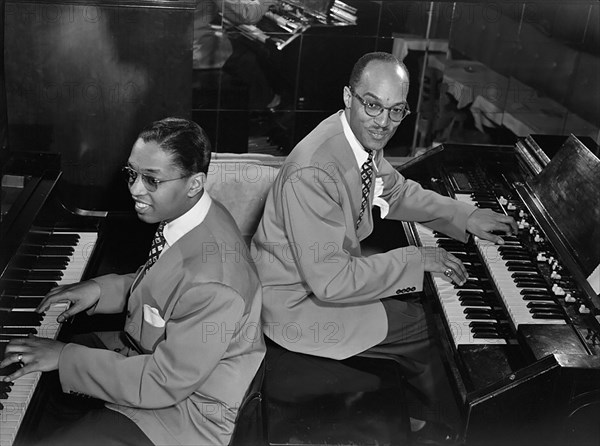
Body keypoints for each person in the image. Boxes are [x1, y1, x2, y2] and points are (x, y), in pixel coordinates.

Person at [251, 52, 517, 443]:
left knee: (428, 307)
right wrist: (418, 259)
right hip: (298, 305)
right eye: (373, 105)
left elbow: (394, 190)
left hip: (321, 284)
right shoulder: (314, 170)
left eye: (396, 111)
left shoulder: (355, 140)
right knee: (437, 333)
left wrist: (464, 215)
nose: (383, 122)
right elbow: (332, 281)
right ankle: (446, 432)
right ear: (348, 96)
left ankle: (422, 416)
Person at [0, 118, 265, 445]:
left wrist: (64, 357)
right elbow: (166, 283)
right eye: (132, 174)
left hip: (186, 411)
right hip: (149, 357)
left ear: (194, 184)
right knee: (30, 368)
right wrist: (99, 289)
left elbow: (162, 382)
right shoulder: (195, 215)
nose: (135, 189)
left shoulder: (216, 281)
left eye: (151, 180)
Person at [193, 0, 281, 110]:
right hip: (199, 53)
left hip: (176, 49)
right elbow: (245, 15)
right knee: (250, 56)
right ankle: (264, 105)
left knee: (238, 41)